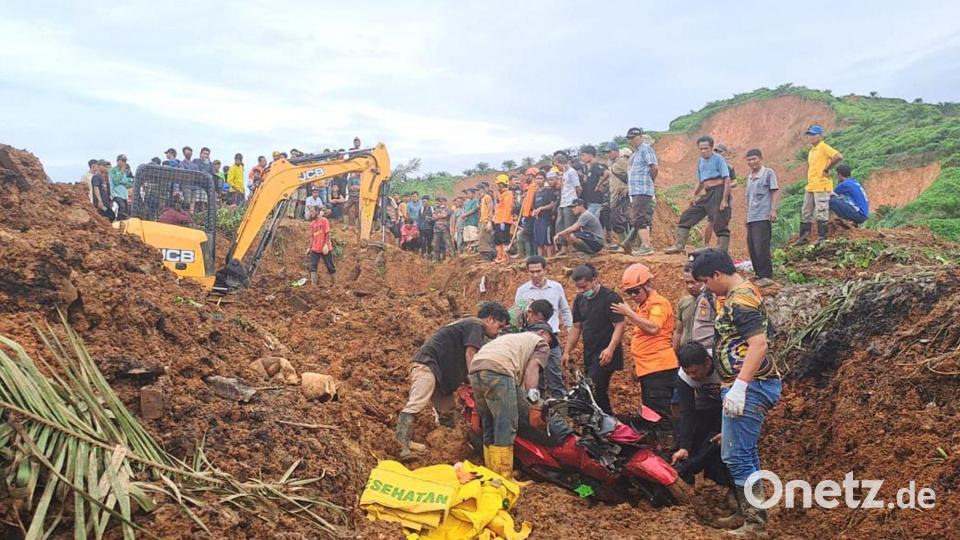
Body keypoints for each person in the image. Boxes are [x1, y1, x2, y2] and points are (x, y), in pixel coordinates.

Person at [689, 248, 781, 535]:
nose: (706, 287)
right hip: (746, 384)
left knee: (737, 456)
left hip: (752, 385)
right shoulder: (736, 295)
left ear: (717, 274)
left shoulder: (741, 299)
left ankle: (755, 524)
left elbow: (759, 344)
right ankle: (748, 513)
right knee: (744, 452)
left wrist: (740, 386)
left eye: (706, 280)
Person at [395, 302, 510, 461]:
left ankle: (446, 446)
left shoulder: (468, 327)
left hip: (440, 373)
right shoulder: (476, 325)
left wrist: (466, 381)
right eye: (499, 326)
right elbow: (470, 355)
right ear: (490, 319)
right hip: (428, 365)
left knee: (447, 411)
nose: (499, 332)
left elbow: (461, 359)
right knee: (417, 402)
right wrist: (477, 382)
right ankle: (400, 444)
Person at [468, 324, 554, 478]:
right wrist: (535, 404)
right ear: (543, 333)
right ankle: (504, 478)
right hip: (499, 370)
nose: (550, 345)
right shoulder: (541, 343)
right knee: (505, 423)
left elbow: (518, 387)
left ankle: (493, 474)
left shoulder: (513, 341)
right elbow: (532, 371)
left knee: (489, 422)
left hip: (476, 368)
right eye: (551, 339)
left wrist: (476, 409)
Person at [611, 263, 678, 444]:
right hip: (648, 369)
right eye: (629, 293)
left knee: (659, 414)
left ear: (648, 285)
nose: (633, 296)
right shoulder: (644, 305)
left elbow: (653, 328)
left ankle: (669, 451)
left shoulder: (658, 303)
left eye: (636, 291)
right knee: (651, 412)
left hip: (659, 368)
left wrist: (629, 313)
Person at [671, 342, 735, 523]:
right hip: (705, 407)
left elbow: (743, 398)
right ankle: (685, 480)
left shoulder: (725, 365)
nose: (693, 376)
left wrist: (729, 430)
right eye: (689, 372)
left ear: (707, 363)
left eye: (696, 372)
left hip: (731, 408)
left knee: (719, 447)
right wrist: (684, 446)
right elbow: (687, 412)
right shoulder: (684, 376)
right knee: (693, 441)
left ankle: (736, 491)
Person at [564, 264, 625, 414]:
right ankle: (606, 424)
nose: (581, 291)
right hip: (590, 353)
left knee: (593, 387)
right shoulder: (580, 300)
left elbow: (619, 324)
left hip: (606, 353)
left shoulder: (610, 297)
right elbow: (577, 327)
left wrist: (610, 349)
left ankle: (607, 423)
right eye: (578, 288)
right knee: (597, 392)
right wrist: (566, 351)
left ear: (595, 280)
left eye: (584, 287)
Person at [514, 255, 573, 398]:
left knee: (554, 373)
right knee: (534, 373)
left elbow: (564, 310)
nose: (535, 275)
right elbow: (517, 315)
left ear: (545, 270)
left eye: (538, 271)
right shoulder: (522, 290)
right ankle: (537, 408)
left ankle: (559, 405)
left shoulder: (556, 287)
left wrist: (570, 330)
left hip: (552, 338)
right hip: (531, 339)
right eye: (531, 272)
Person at [666, 135, 732, 254]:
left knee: (719, 221)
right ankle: (679, 245)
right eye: (701, 149)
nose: (703, 151)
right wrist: (694, 194)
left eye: (706, 148)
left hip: (719, 192)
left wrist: (724, 200)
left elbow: (727, 179)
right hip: (707, 194)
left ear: (711, 148)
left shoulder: (719, 159)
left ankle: (722, 250)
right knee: (687, 216)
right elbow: (701, 181)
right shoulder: (700, 161)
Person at [800, 124, 843, 243]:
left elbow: (838, 156)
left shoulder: (823, 147)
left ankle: (822, 237)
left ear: (820, 136)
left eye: (814, 135)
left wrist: (827, 169)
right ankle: (804, 237)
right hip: (811, 185)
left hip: (822, 184)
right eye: (810, 135)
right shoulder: (812, 151)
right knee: (806, 211)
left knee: (821, 211)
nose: (811, 137)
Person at [744, 149, 781, 287]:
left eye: (754, 159)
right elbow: (749, 198)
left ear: (760, 158)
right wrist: (746, 216)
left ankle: (766, 275)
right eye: (749, 160)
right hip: (752, 217)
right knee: (752, 246)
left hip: (763, 215)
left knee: (761, 246)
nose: (752, 162)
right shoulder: (750, 176)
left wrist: (773, 209)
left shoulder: (768, 173)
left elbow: (774, 192)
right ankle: (758, 273)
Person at [624, 128, 659, 255]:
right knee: (640, 216)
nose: (631, 140)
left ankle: (646, 246)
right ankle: (645, 245)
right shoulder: (637, 152)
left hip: (642, 189)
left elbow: (654, 167)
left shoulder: (645, 149)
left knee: (638, 217)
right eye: (629, 138)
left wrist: (650, 181)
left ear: (640, 137)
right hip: (637, 190)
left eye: (633, 137)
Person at [600, 143, 631, 251]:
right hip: (614, 195)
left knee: (617, 219)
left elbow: (631, 174)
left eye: (609, 152)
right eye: (607, 152)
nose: (608, 154)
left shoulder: (622, 161)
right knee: (616, 220)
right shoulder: (611, 162)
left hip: (621, 195)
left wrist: (627, 187)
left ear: (616, 151)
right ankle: (624, 243)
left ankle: (625, 244)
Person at [673, 264, 705, 351]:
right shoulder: (684, 302)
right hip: (686, 354)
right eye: (687, 283)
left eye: (693, 282)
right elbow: (679, 331)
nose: (690, 286)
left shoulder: (713, 303)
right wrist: (675, 353)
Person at [554, 153, 581, 254]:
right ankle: (564, 248)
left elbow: (578, 187)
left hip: (570, 202)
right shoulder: (564, 173)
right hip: (563, 203)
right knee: (560, 226)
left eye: (557, 165)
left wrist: (576, 200)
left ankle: (574, 247)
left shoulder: (571, 172)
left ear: (562, 163)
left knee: (570, 226)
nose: (557, 168)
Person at [307, 206, 336, 287]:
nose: (311, 213)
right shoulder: (312, 224)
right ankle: (313, 285)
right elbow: (312, 237)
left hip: (325, 248)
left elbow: (327, 233)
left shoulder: (324, 220)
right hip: (315, 248)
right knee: (313, 266)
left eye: (312, 211)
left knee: (330, 266)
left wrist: (326, 245)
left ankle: (334, 284)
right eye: (310, 212)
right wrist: (309, 247)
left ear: (317, 211)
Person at [532, 170, 557, 257]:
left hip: (546, 219)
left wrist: (541, 208)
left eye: (541, 178)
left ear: (544, 180)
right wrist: (534, 211)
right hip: (538, 220)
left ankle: (550, 260)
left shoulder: (548, 191)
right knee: (539, 242)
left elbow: (552, 204)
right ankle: (540, 259)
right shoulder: (535, 193)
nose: (539, 180)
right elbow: (534, 207)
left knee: (548, 241)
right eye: (537, 178)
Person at [578, 145, 607, 219]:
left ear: (590, 155)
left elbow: (607, 173)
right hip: (589, 200)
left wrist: (599, 184)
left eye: (584, 155)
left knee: (590, 222)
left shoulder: (596, 166)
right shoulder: (589, 169)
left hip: (595, 200)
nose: (582, 157)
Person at [493, 175, 514, 263]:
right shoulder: (500, 195)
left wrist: (504, 221)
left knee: (504, 239)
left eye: (498, 184)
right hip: (498, 220)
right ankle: (499, 256)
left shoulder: (508, 194)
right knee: (497, 239)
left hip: (504, 221)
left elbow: (508, 208)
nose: (497, 186)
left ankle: (505, 256)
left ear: (502, 184)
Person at [109, 155, 134, 220]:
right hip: (116, 194)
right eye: (122, 161)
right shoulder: (113, 170)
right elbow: (116, 181)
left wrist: (123, 183)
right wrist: (121, 172)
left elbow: (129, 184)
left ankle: (123, 223)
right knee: (121, 206)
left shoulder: (125, 172)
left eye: (125, 161)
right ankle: (118, 222)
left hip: (124, 195)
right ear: (118, 161)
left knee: (126, 210)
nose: (124, 162)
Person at [477, 182, 495, 261]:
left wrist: (489, 222)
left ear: (482, 189)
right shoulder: (482, 199)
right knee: (481, 239)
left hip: (486, 221)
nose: (477, 192)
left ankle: (487, 257)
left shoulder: (487, 197)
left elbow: (491, 210)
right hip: (482, 220)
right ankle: (485, 256)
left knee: (484, 239)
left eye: (478, 190)